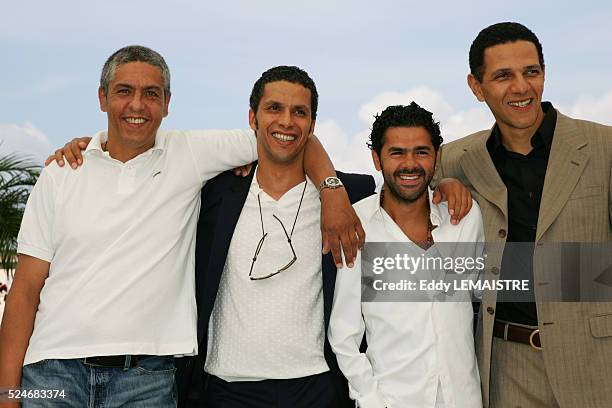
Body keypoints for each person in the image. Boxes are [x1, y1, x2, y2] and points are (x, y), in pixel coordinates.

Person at [0, 47, 361, 408]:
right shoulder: (61, 173)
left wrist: (331, 190)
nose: (137, 105)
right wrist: (7, 395)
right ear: (102, 98)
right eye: (124, 91)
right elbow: (26, 290)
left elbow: (289, 138)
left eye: (151, 94)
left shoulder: (190, 154)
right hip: (53, 374)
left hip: (147, 380)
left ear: (167, 103)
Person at [434, 22, 612, 407]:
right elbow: (399, 187)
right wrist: (441, 185)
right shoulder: (455, 160)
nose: (521, 87)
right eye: (503, 76)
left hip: (597, 363)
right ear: (476, 87)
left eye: (531, 72)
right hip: (506, 367)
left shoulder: (605, 147)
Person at [329, 103, 484, 408]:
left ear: (436, 156)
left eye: (421, 152)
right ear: (377, 158)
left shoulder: (463, 217)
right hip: (393, 400)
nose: (410, 164)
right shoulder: (356, 226)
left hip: (463, 397)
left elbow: (483, 294)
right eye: (397, 152)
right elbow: (343, 334)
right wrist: (371, 399)